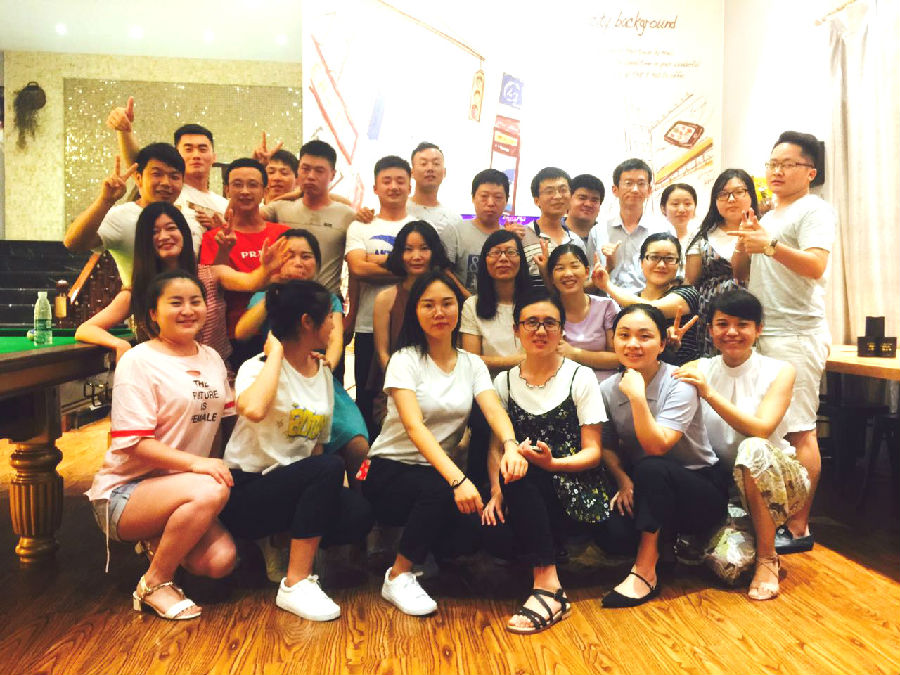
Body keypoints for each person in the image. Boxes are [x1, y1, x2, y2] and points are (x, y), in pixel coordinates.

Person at [361, 270, 525, 616]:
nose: (439, 312)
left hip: (437, 472)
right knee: (439, 489)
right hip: (390, 470)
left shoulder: (471, 363)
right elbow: (414, 427)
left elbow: (493, 409)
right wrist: (458, 479)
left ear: (458, 309)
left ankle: (425, 552)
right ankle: (398, 575)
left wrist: (511, 444)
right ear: (416, 311)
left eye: (447, 303)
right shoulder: (404, 360)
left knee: (477, 533)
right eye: (428, 305)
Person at [86, 270, 237, 620]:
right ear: (153, 313)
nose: (188, 310)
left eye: (195, 301)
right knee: (210, 487)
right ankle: (154, 584)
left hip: (181, 488)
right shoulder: (139, 361)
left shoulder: (211, 357)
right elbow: (134, 444)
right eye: (176, 303)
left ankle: (158, 537)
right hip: (124, 494)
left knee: (220, 561)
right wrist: (198, 465)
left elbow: (222, 424)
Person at [219, 280, 374, 621]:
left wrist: (315, 505)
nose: (334, 324)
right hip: (248, 490)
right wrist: (276, 353)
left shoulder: (322, 374)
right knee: (329, 467)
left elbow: (316, 444)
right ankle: (296, 582)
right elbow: (254, 408)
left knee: (358, 512)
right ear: (307, 322)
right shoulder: (257, 367)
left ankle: (288, 543)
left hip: (293, 486)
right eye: (330, 317)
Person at [482, 289, 613, 633]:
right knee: (496, 524)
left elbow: (593, 453)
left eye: (550, 323)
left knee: (521, 472)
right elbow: (496, 448)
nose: (540, 331)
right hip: (521, 486)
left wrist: (553, 464)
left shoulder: (580, 376)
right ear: (516, 330)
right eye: (531, 323)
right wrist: (496, 492)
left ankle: (548, 588)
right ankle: (545, 568)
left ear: (562, 331)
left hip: (575, 486)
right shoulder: (504, 382)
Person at [730, 131, 835, 554]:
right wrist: (746, 239)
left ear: (809, 172)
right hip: (765, 331)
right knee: (770, 427)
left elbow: (816, 266)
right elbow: (742, 271)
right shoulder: (769, 215)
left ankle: (799, 526)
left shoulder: (815, 210)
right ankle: (771, 518)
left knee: (801, 429)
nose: (776, 171)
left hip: (796, 333)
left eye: (787, 164)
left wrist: (770, 245)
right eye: (772, 163)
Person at [674, 289, 810, 600]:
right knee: (730, 568)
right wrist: (668, 349)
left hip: (778, 480)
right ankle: (728, 534)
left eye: (743, 324)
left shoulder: (780, 371)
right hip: (725, 486)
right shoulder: (699, 367)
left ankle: (768, 557)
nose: (732, 332)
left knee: (752, 448)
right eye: (722, 324)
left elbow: (761, 429)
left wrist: (709, 394)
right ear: (710, 330)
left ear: (758, 329)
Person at [599, 304, 728, 608]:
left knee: (653, 466)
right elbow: (607, 445)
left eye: (644, 336)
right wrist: (623, 480)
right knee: (612, 536)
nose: (633, 344)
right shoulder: (607, 389)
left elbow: (658, 446)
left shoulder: (681, 381)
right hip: (645, 486)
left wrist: (637, 396)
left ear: (661, 344)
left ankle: (645, 570)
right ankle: (666, 545)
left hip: (698, 489)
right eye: (624, 335)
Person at [233, 229, 369, 486]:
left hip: (317, 375)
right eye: (289, 255)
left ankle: (362, 493)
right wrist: (274, 290)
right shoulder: (264, 296)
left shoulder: (327, 300)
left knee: (360, 448)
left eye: (306, 256)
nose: (298, 262)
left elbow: (335, 339)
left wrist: (327, 365)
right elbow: (242, 333)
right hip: (275, 377)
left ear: (317, 263)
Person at [75, 202, 285, 365]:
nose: (164, 236)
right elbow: (87, 329)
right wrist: (120, 344)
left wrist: (266, 268)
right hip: (166, 383)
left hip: (217, 380)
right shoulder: (139, 289)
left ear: (183, 232)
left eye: (171, 228)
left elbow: (251, 282)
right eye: (154, 232)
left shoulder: (212, 274)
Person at [345, 155, 414, 440]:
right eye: (387, 181)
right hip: (367, 328)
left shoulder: (418, 227)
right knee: (367, 399)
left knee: (408, 399)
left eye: (400, 181)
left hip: (410, 327)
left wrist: (373, 260)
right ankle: (368, 462)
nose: (394, 186)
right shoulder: (361, 226)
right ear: (375, 187)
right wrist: (403, 266)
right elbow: (358, 269)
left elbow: (423, 270)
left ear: (410, 186)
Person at [199, 158, 289, 367]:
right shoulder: (213, 237)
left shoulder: (282, 233)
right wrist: (224, 249)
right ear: (227, 190)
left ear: (265, 191)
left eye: (253, 185)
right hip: (235, 335)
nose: (245, 191)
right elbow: (214, 285)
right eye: (237, 184)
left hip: (281, 330)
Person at [460, 230, 530, 489]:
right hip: (486, 390)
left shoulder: (534, 302)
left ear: (521, 259)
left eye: (511, 252)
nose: (503, 258)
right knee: (482, 426)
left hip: (531, 385)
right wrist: (522, 359)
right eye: (495, 253)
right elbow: (472, 360)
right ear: (485, 261)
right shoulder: (473, 305)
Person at [106, 99, 227, 242]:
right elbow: (137, 163)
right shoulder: (166, 191)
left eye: (202, 149)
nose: (196, 155)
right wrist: (124, 131)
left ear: (214, 157)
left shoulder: (224, 205)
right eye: (188, 149)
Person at [63, 143, 185, 285]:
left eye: (174, 177)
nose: (166, 183)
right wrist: (105, 200)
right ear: (138, 178)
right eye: (157, 174)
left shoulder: (190, 215)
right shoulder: (123, 216)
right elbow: (73, 243)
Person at [260, 140, 357, 297]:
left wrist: (352, 309)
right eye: (305, 169)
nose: (311, 176)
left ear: (333, 174)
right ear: (298, 170)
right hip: (284, 300)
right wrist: (257, 167)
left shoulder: (347, 215)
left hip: (327, 302)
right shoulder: (279, 208)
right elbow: (238, 217)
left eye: (319, 171)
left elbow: (355, 270)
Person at [593, 233, 701, 365]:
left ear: (678, 264)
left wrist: (607, 285)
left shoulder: (688, 293)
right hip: (634, 371)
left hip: (682, 372)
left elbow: (651, 309)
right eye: (654, 257)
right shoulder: (628, 301)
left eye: (669, 258)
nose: (661, 265)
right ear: (641, 262)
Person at [684, 170, 755, 355]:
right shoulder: (702, 233)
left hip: (752, 311)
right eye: (723, 194)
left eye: (739, 192)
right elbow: (691, 281)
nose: (731, 199)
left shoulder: (764, 230)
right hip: (711, 313)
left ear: (751, 195)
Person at [585, 158, 674, 294]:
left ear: (649, 190)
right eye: (628, 183)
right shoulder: (599, 231)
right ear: (615, 190)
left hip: (651, 302)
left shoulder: (664, 229)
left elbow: (674, 277)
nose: (635, 189)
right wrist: (608, 267)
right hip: (608, 303)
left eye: (641, 184)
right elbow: (590, 281)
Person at [373, 220, 451, 374]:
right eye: (408, 249)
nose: (416, 256)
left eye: (424, 248)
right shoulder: (385, 299)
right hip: (395, 379)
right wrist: (400, 382)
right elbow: (382, 353)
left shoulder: (447, 296)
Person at [546, 244, 619, 382]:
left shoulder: (606, 306)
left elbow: (619, 358)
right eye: (560, 268)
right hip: (565, 385)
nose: (568, 273)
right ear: (551, 277)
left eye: (574, 266)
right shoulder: (547, 313)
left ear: (586, 272)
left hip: (606, 385)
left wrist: (575, 354)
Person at [440, 168, 511, 296]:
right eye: (484, 196)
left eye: (498, 197)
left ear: (506, 200)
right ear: (473, 198)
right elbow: (444, 271)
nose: (490, 203)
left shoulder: (509, 238)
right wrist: (469, 300)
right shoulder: (455, 231)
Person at [521, 167, 585, 286]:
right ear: (537, 201)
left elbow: (581, 287)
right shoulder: (522, 236)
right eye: (549, 191)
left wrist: (608, 267)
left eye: (563, 190)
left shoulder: (576, 241)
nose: (558, 196)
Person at [407, 142, 459, 235]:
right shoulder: (399, 210)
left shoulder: (454, 220)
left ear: (444, 172)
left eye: (436, 163)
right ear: (412, 172)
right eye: (423, 164)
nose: (430, 168)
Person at [564, 174, 605, 242]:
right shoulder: (550, 232)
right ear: (569, 199)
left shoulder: (607, 234)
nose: (588, 204)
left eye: (594, 200)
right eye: (582, 198)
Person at [659, 183, 698, 254]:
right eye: (675, 204)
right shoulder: (655, 238)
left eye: (687, 204)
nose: (681, 210)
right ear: (663, 209)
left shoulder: (702, 238)